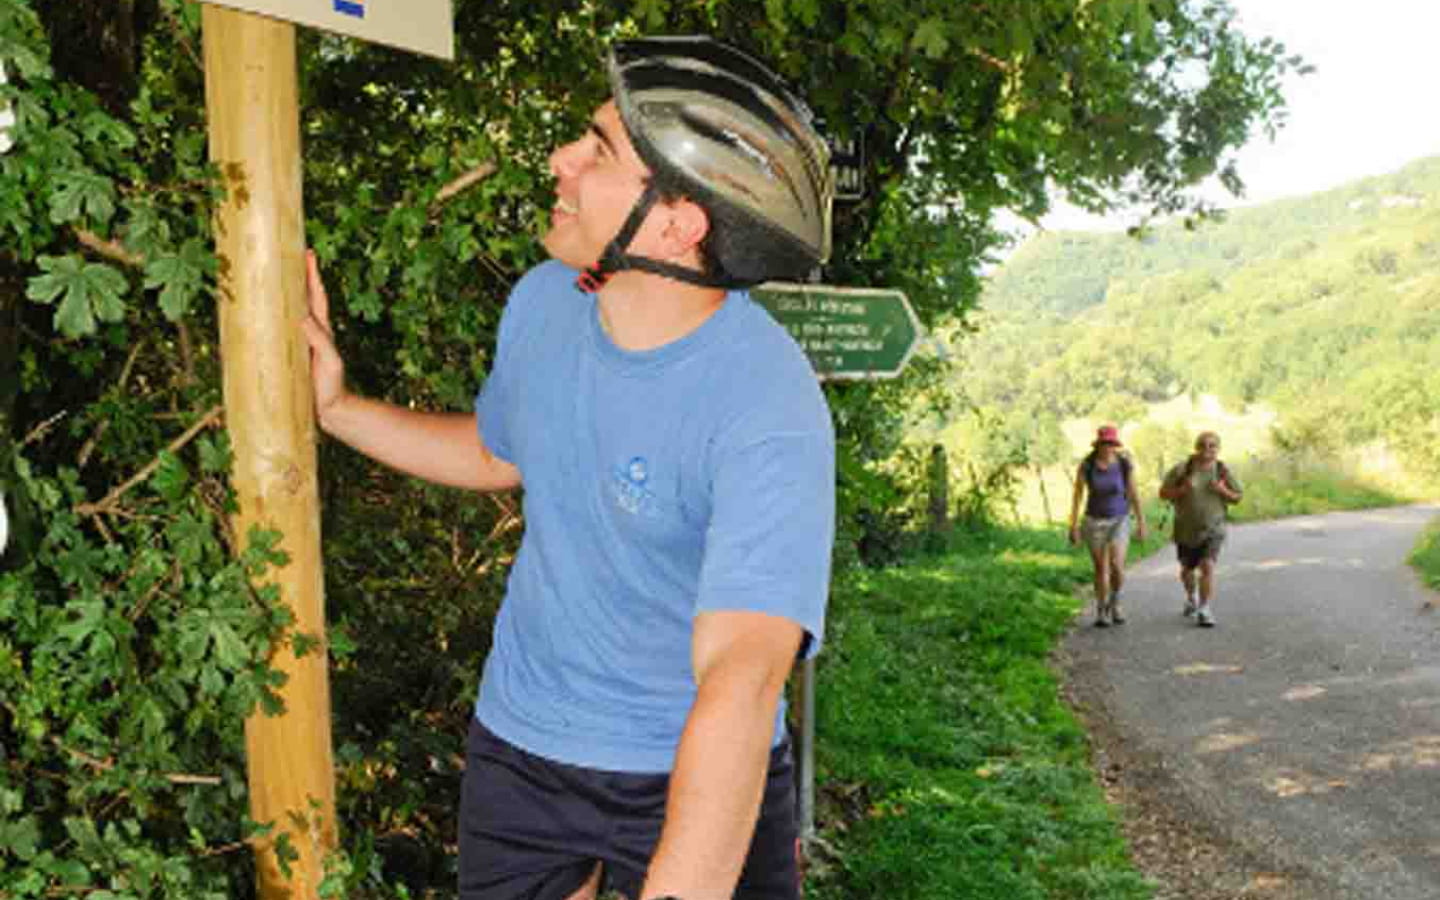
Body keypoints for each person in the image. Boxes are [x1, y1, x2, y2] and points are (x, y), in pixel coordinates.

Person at [300, 37, 836, 900]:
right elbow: (497, 451)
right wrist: (336, 409)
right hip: (524, 749)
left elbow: (742, 674)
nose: (560, 160)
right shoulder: (545, 304)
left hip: (693, 768)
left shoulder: (767, 404)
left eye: (599, 149)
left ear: (677, 221)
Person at [1158, 431, 1243, 628]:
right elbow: (1163, 493)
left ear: (1217, 449)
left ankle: (1205, 609)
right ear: (1197, 447)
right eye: (1203, 445)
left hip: (1213, 528)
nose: (1208, 449)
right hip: (1185, 529)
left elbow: (1238, 497)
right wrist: (1181, 490)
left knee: (1207, 566)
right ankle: (1191, 597)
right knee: (1187, 570)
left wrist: (1222, 490)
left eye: (1212, 446)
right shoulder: (1182, 469)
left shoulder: (1222, 470)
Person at [1067, 425, 1147, 627]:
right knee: (1100, 568)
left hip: (1119, 519)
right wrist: (1073, 525)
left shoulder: (1123, 464)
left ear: (1115, 444)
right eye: (1104, 443)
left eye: (1111, 443)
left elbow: (1133, 493)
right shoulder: (1087, 465)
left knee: (1117, 566)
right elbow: (1077, 496)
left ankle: (1116, 601)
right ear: (1098, 444)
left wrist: (1141, 522)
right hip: (1094, 521)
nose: (1108, 447)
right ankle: (1102, 609)